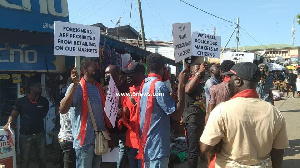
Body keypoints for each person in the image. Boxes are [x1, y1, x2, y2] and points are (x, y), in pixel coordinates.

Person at [200, 62, 289, 168]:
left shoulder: (222, 110)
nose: (228, 82)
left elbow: (204, 148)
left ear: (238, 81)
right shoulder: (274, 112)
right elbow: (278, 152)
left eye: (230, 78)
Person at [136, 53, 188, 168]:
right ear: (163, 68)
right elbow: (176, 115)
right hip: (157, 147)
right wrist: (181, 86)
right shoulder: (159, 86)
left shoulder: (144, 84)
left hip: (146, 144)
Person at [60, 58, 111, 168]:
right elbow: (62, 109)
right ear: (84, 69)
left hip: (98, 140)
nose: (97, 68)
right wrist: (73, 85)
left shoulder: (98, 88)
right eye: (94, 66)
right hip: (84, 142)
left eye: (97, 66)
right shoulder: (77, 87)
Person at [3, 80, 49, 168]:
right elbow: (13, 115)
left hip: (40, 134)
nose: (40, 87)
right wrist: (8, 123)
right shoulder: (21, 101)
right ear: (31, 87)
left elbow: (44, 113)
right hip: (25, 135)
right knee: (24, 159)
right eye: (37, 86)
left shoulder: (44, 101)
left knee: (42, 158)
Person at [205, 60, 235, 167]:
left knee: (214, 151)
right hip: (234, 125)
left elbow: (210, 110)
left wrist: (207, 127)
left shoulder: (215, 88)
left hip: (217, 123)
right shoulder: (239, 87)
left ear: (222, 71)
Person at [122, 62, 146, 168]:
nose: (128, 77)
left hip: (146, 141)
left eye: (131, 74)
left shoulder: (150, 90)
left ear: (140, 74)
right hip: (132, 141)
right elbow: (126, 115)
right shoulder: (127, 94)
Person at [105, 65, 129, 168]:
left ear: (117, 74)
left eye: (108, 74)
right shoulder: (104, 89)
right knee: (108, 152)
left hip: (124, 128)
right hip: (110, 129)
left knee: (123, 150)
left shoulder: (126, 88)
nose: (106, 76)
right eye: (105, 74)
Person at [183, 61, 206, 168]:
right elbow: (187, 90)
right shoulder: (189, 82)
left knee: (200, 148)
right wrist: (199, 72)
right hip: (192, 120)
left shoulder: (203, 83)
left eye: (201, 68)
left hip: (202, 119)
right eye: (197, 69)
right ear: (191, 72)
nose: (200, 70)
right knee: (193, 151)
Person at [58, 77, 76, 168]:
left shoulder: (64, 100)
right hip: (69, 139)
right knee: (69, 163)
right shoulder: (70, 102)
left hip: (64, 137)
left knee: (66, 162)